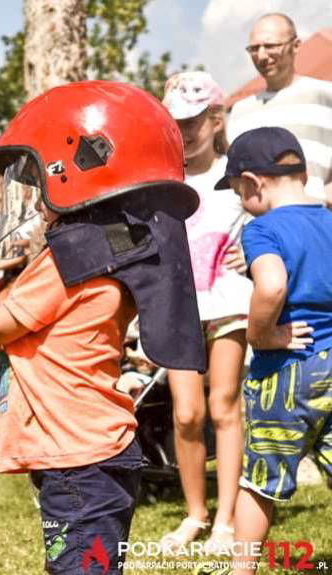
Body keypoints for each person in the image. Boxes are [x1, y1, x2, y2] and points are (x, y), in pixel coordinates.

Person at [0, 81, 207, 574]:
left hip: (77, 461)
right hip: (91, 456)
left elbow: (0, 326)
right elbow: (41, 344)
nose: (36, 200)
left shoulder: (70, 259)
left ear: (78, 173)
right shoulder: (111, 256)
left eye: (37, 182)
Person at [197, 128, 332, 575]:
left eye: (238, 193)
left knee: (261, 481)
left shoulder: (263, 228)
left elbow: (272, 284)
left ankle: (242, 569)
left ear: (254, 184)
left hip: (288, 371)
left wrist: (262, 335)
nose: (241, 203)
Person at [156, 72, 254, 555]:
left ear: (217, 120)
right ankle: (195, 513)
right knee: (187, 414)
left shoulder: (237, 177)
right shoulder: (161, 177)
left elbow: (271, 217)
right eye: (176, 124)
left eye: (193, 122)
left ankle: (227, 519)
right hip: (177, 308)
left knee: (223, 407)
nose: (185, 132)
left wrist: (253, 250)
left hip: (229, 304)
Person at [227, 12, 332, 207]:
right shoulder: (240, 111)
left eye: (270, 46)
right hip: (258, 229)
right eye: (254, 48)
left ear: (296, 45)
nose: (262, 55)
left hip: (316, 222)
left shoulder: (325, 94)